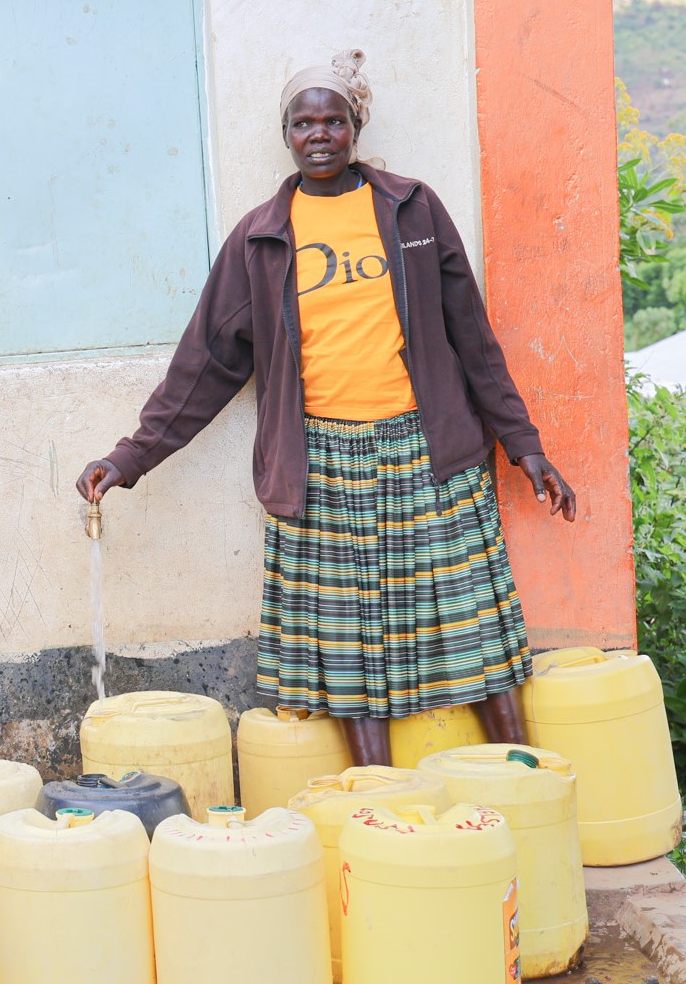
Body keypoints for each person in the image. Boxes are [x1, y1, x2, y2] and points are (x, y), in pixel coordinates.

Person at [76, 52, 575, 767]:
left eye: (333, 121)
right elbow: (203, 365)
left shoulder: (413, 209)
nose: (318, 135)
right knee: (349, 646)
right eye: (302, 123)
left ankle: (525, 777)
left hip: (428, 448)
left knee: (474, 624)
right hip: (320, 462)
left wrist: (525, 446)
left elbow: (473, 336)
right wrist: (129, 458)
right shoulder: (261, 239)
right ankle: (377, 793)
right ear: (285, 134)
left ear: (355, 127)